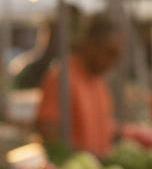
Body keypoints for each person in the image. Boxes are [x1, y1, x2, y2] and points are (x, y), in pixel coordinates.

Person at [36, 13, 122, 155]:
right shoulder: (61, 78)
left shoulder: (99, 81)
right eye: (109, 53)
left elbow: (107, 127)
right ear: (91, 44)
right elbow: (49, 134)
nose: (112, 63)